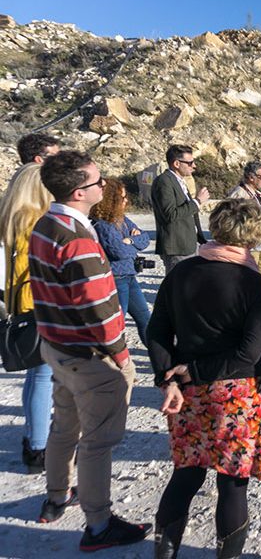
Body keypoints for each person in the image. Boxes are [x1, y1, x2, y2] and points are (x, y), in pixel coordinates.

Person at [29, 150, 150, 549]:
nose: (104, 186)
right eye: (98, 181)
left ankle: (56, 496)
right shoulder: (78, 238)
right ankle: (98, 524)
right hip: (89, 354)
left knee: (64, 426)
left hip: (57, 346)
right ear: (80, 192)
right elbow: (99, 307)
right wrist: (121, 355)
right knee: (97, 441)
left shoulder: (46, 224)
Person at [148, 198, 261, 559]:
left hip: (187, 392)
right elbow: (248, 353)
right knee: (232, 481)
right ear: (254, 235)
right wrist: (194, 372)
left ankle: (164, 553)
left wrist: (169, 379)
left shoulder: (181, 273)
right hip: (236, 392)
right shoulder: (253, 282)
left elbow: (157, 331)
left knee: (187, 472)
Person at [0, 164, 54, 473]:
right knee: (45, 377)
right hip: (41, 306)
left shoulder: (13, 219)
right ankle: (39, 447)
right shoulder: (37, 222)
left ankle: (34, 439)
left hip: (22, 307)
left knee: (36, 377)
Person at [90, 178, 152, 348]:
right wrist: (132, 244)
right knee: (117, 324)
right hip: (116, 279)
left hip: (129, 276)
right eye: (122, 197)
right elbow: (118, 252)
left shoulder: (122, 219)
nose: (126, 200)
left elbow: (145, 239)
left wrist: (130, 240)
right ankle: (116, 356)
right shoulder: (102, 225)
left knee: (145, 319)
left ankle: (160, 356)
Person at [151, 144, 210, 274]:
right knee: (179, 284)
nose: (194, 166)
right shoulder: (164, 182)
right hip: (178, 247)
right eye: (190, 163)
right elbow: (170, 214)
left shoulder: (179, 181)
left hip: (189, 245)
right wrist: (197, 201)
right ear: (177, 164)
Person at [227, 160, 261, 282]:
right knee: (249, 283)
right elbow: (230, 221)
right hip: (248, 248)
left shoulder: (257, 194)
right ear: (251, 177)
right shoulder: (239, 195)